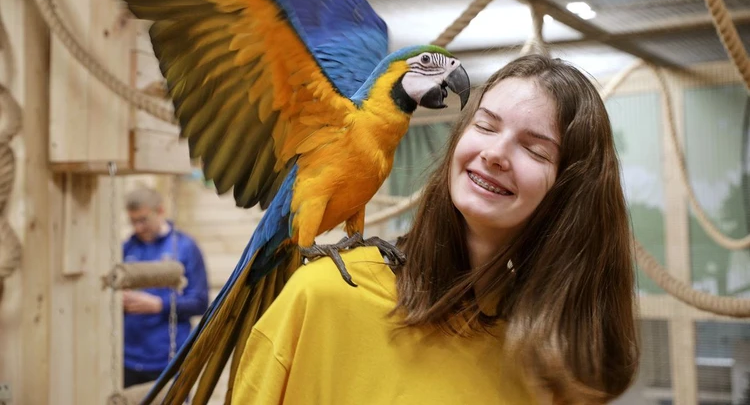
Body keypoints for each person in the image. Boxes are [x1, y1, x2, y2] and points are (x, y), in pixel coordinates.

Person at [231, 54, 639, 404]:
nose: (495, 153)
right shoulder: (325, 295)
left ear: (569, 189)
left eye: (534, 148)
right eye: (485, 125)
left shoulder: (557, 353)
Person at [122, 187, 210, 388]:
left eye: (143, 220)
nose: (138, 228)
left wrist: (158, 305)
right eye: (133, 221)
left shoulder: (186, 247)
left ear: (160, 211)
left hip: (168, 357)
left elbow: (200, 302)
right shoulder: (127, 248)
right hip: (129, 357)